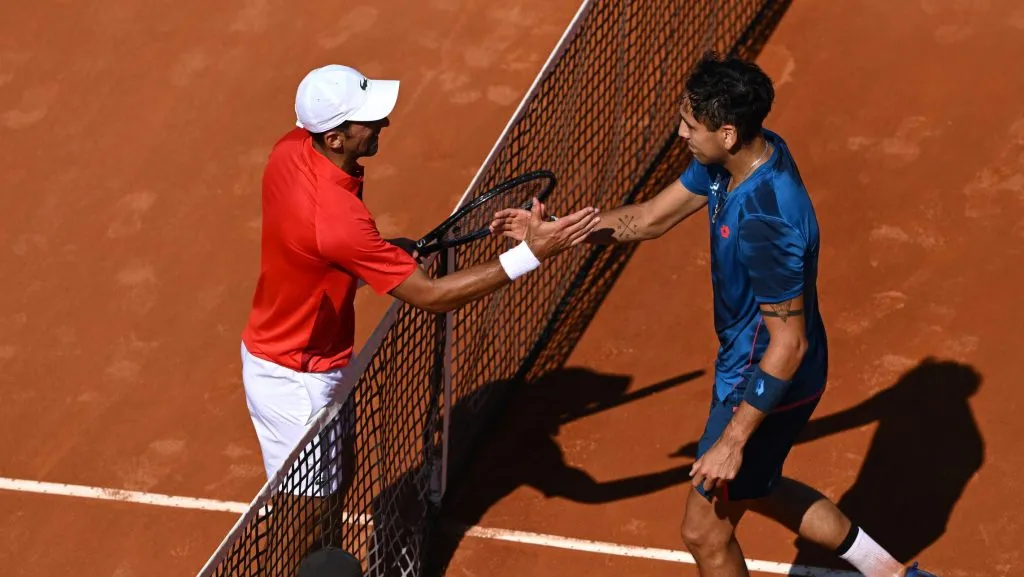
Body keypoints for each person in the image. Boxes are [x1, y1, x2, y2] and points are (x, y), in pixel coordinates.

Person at [489, 52, 939, 577]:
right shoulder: (731, 162)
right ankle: (891, 573)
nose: (680, 133)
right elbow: (650, 219)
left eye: (690, 124)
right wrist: (557, 235)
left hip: (766, 377)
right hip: (753, 360)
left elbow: (787, 345)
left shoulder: (766, 221)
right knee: (757, 486)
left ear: (728, 133)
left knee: (704, 532)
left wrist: (732, 439)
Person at [240, 63, 600, 572]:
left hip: (309, 353)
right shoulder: (335, 216)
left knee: (334, 492)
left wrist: (377, 257)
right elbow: (430, 297)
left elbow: (315, 248)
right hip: (296, 380)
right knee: (303, 522)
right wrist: (532, 254)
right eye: (369, 120)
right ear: (336, 136)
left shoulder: (292, 150)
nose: (383, 123)